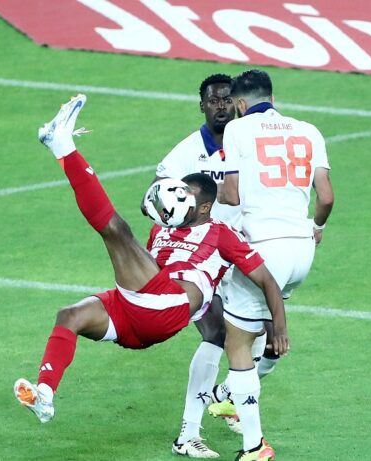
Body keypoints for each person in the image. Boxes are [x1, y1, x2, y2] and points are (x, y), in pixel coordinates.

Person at [12, 94, 291, 448]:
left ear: (206, 206)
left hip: (167, 305)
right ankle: (44, 395)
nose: (179, 198)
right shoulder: (162, 229)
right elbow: (149, 257)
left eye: (187, 195)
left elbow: (265, 278)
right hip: (134, 310)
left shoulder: (222, 233)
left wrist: (278, 325)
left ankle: (62, 146)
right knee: (69, 316)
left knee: (116, 231)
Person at [211, 69, 335, 460]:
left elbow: (232, 195)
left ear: (239, 103)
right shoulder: (309, 131)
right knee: (266, 326)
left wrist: (203, 189)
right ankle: (229, 393)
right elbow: (326, 197)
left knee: (237, 342)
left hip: (263, 250)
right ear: (272, 98)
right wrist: (317, 227)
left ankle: (254, 445)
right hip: (302, 250)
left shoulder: (237, 129)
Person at [154, 74, 266, 458]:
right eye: (213, 100)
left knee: (257, 329)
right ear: (202, 105)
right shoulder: (187, 152)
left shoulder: (245, 143)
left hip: (238, 251)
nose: (221, 106)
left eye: (226, 99)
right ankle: (188, 434)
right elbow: (159, 196)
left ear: (236, 103)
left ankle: (228, 397)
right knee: (217, 334)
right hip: (201, 260)